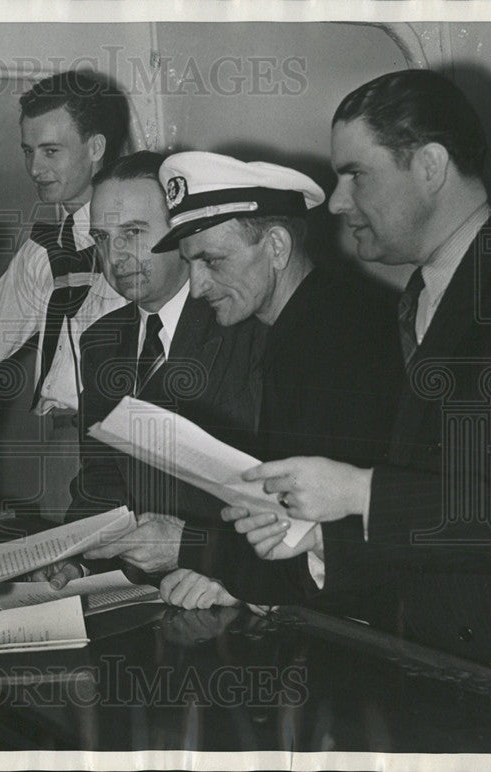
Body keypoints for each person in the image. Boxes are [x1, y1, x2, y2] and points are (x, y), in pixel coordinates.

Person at [225, 70, 491, 676]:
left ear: (429, 165)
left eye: (356, 175)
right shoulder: (423, 295)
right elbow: (444, 498)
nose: (338, 202)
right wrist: (323, 539)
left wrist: (360, 492)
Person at [84, 151, 403, 612]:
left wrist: (217, 565)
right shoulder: (303, 326)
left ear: (275, 247)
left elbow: (347, 532)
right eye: (192, 262)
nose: (195, 286)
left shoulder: (341, 334)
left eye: (213, 260)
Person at [44, 151, 265, 602]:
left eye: (133, 233)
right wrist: (76, 556)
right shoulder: (102, 344)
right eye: (103, 238)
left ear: (183, 235)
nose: (115, 256)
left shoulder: (247, 329)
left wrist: (222, 568)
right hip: (140, 591)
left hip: (227, 584)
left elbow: (282, 495)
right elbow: (100, 484)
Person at [0, 69, 130, 518]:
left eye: (50, 151)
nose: (34, 169)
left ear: (96, 148)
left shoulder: (145, 238)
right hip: (67, 439)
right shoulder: (42, 252)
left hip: (139, 438)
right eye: (29, 151)